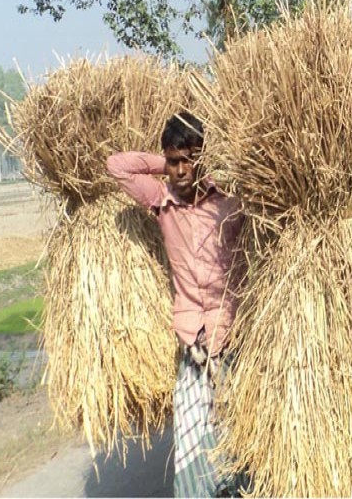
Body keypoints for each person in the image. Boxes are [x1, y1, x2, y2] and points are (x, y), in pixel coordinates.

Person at [106, 112, 245, 498]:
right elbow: (116, 166)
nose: (181, 171)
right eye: (174, 161)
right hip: (193, 343)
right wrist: (164, 162)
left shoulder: (229, 201)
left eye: (188, 160)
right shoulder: (160, 202)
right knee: (191, 444)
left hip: (233, 337)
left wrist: (204, 159)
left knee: (238, 440)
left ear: (203, 158)